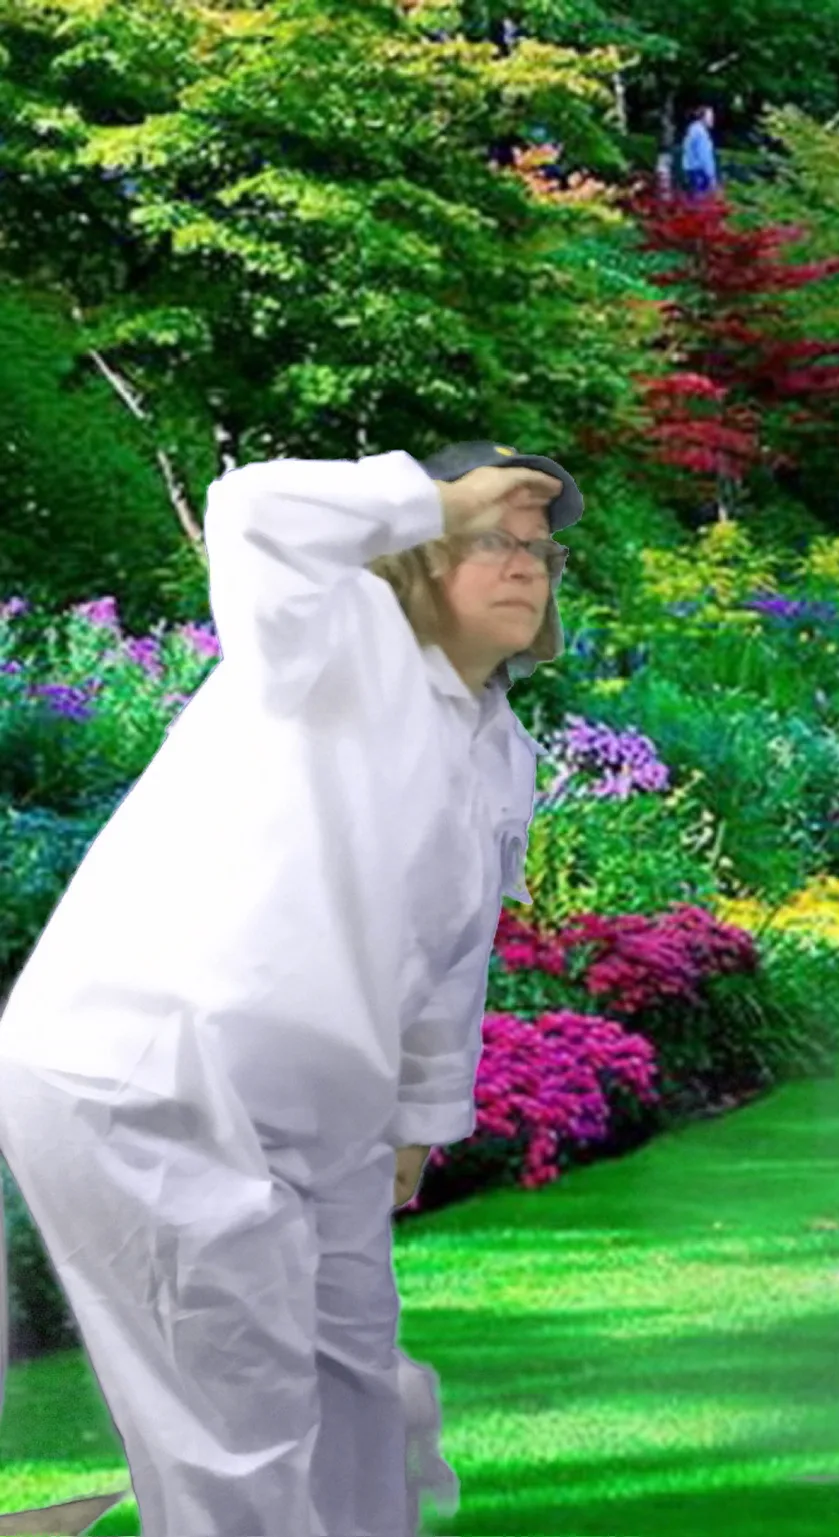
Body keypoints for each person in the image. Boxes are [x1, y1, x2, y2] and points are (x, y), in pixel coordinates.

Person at [0, 441, 580, 1536]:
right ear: (418, 553)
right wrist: (438, 495)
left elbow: (450, 956)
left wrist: (417, 1121)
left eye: (540, 552)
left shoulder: (499, 751)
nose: (525, 565)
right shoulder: (331, 639)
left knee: (357, 1389)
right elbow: (251, 509)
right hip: (152, 1075)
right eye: (492, 540)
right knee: (237, 1420)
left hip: (319, 1107)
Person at [677, 104, 718, 198]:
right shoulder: (701, 133)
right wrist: (711, 176)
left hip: (690, 170)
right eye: (710, 117)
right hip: (700, 172)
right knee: (700, 201)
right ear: (702, 118)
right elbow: (704, 157)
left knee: (692, 198)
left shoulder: (692, 129)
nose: (712, 120)